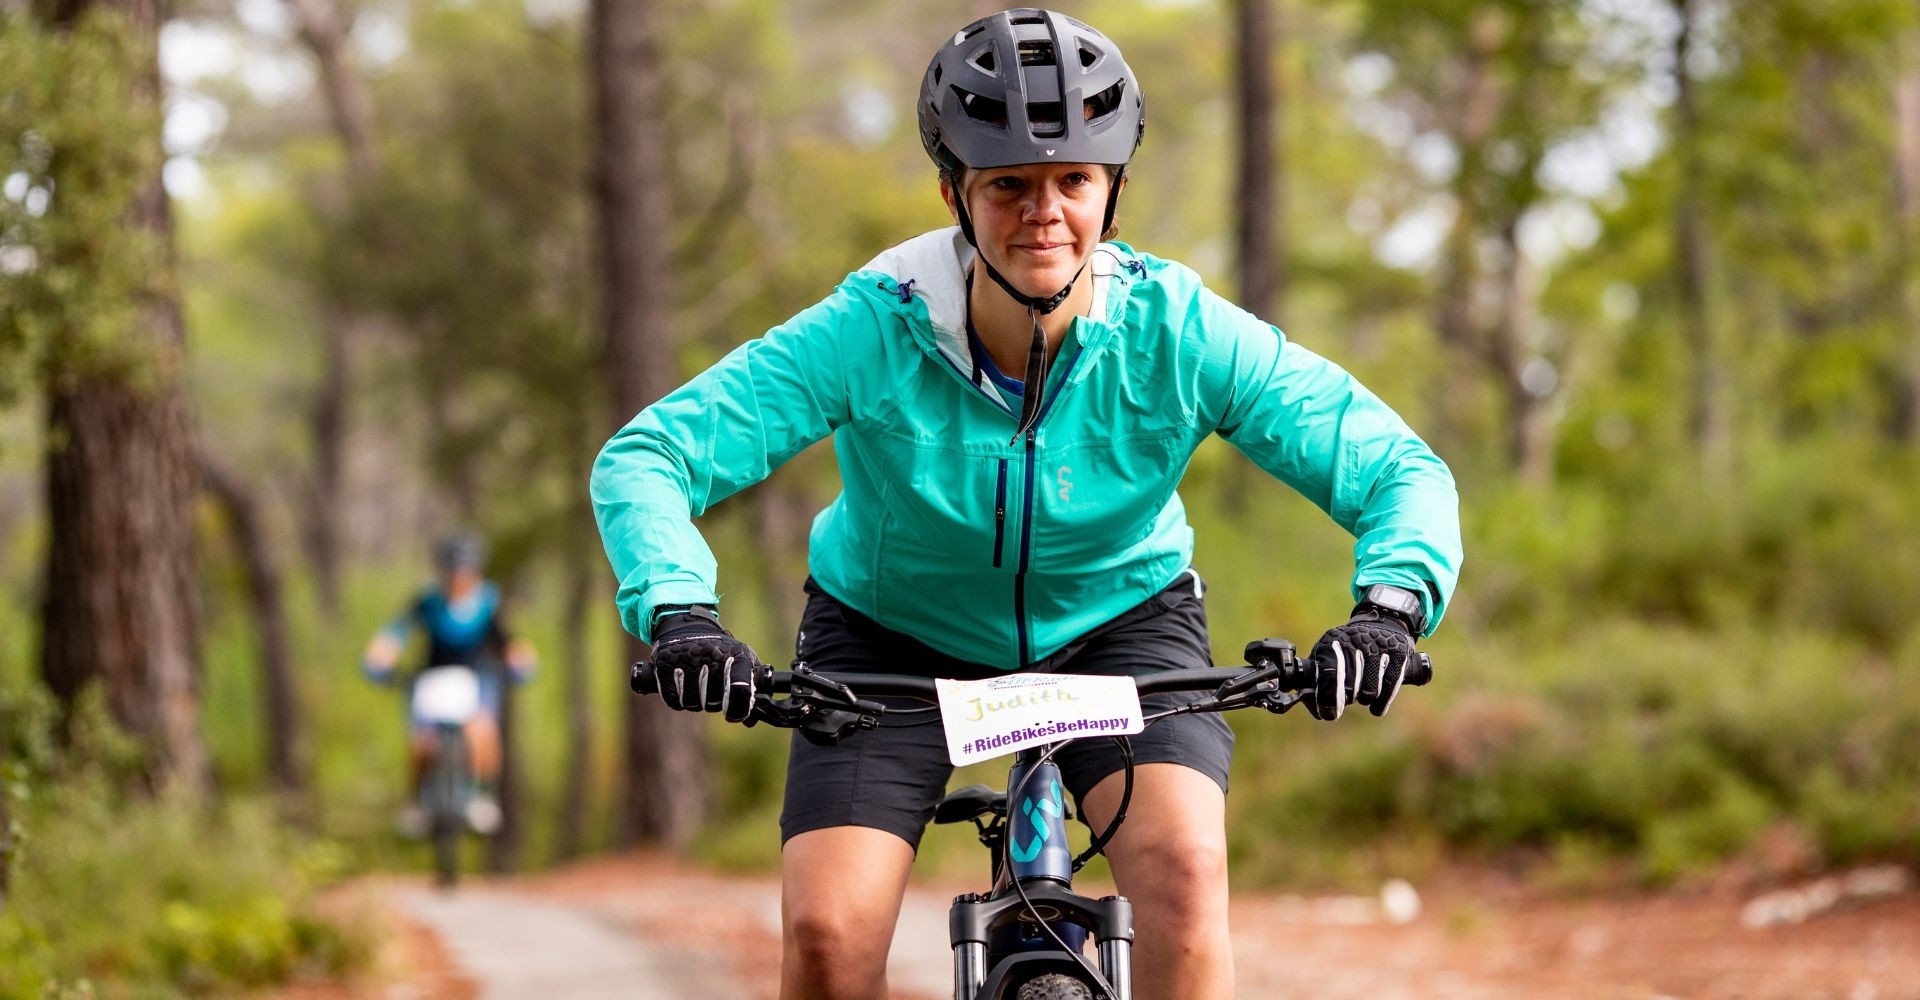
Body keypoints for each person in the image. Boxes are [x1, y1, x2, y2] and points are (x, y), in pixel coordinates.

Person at [591, 8, 1461, 998]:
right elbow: (651, 455)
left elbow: (1399, 467)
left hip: (1121, 629)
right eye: (1009, 184)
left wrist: (1388, 610)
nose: (1043, 212)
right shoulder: (876, 325)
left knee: (1183, 877)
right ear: (956, 193)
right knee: (830, 936)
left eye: (1072, 183)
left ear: (1112, 192)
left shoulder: (1175, 331)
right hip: (891, 640)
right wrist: (682, 614)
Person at [362, 533, 537, 836]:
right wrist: (379, 657)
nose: (460, 577)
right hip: (432, 677)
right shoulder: (428, 601)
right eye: (454, 570)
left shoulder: (487, 601)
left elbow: (507, 641)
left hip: (477, 677)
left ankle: (482, 795)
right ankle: (417, 801)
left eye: (466, 570)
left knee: (483, 730)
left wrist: (521, 660)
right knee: (423, 742)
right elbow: (397, 632)